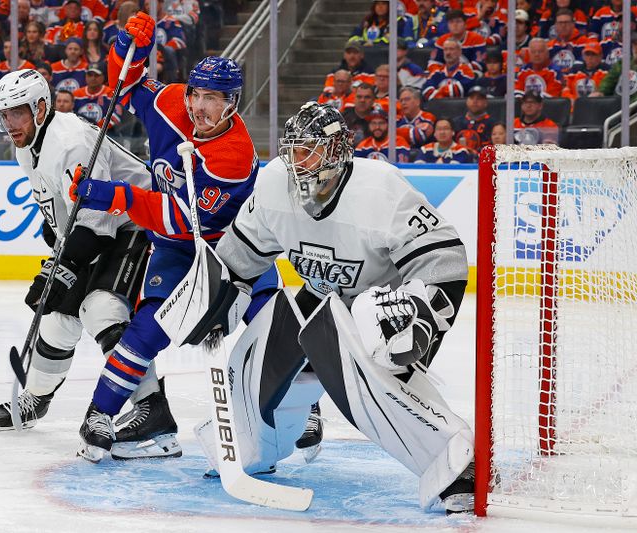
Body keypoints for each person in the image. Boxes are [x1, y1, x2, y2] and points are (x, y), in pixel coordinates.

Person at [164, 102, 475, 514]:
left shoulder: (379, 189)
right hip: (321, 299)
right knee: (271, 328)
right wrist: (216, 298)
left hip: (382, 313)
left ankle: (457, 464)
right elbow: (238, 259)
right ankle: (250, 447)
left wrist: (420, 312)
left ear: (338, 150)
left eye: (309, 150)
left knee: (360, 328)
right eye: (293, 149)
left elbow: (445, 261)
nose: (297, 161)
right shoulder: (274, 185)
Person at [67, 12, 263, 462]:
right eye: (196, 93)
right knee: (146, 330)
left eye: (212, 98)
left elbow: (178, 216)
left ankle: (303, 408)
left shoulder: (233, 156)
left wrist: (110, 195)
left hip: (234, 250)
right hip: (175, 251)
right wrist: (125, 45)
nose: (198, 106)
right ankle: (102, 415)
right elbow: (124, 85)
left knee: (273, 321)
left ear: (231, 103)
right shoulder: (172, 102)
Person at [0, 69, 156, 444]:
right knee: (58, 319)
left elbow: (97, 223)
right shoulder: (26, 146)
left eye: (16, 112)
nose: (9, 123)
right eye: (4, 115)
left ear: (41, 107)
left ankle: (151, 406)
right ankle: (37, 398)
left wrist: (60, 268)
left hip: (136, 221)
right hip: (95, 228)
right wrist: (57, 247)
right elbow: (61, 213)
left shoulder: (72, 141)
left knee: (104, 310)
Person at [451, 85, 495, 152]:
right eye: (471, 98)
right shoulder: (456, 122)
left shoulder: (493, 124)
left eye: (479, 98)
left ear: (485, 102)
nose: (475, 101)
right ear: (467, 101)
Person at [341, 82, 375, 146]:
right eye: (359, 97)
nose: (362, 100)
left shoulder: (379, 118)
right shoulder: (342, 117)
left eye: (367, 97)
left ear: (373, 100)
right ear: (354, 99)